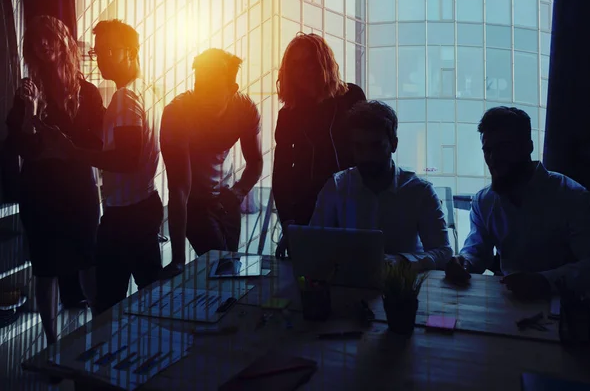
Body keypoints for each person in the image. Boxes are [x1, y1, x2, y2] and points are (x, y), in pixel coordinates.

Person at [43, 20, 163, 314]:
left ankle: (111, 358)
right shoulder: (147, 90)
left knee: (107, 307)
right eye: (98, 52)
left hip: (126, 215)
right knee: (152, 294)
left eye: (110, 50)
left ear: (131, 51)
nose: (102, 58)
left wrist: (72, 151)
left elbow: (126, 159)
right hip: (144, 204)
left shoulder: (125, 98)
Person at [5, 15, 103, 344]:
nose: (43, 43)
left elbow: (94, 145)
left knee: (88, 260)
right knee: (45, 268)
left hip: (78, 189)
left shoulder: (87, 93)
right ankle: (52, 345)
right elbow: (23, 148)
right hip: (40, 193)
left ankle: (101, 335)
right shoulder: (27, 92)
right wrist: (32, 114)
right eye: (36, 40)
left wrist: (62, 148)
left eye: (49, 37)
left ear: (63, 43)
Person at [445, 107, 590, 299]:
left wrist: (545, 281)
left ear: (528, 146)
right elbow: (478, 251)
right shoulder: (484, 201)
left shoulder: (573, 197)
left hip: (564, 307)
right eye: (488, 150)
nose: (493, 158)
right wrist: (464, 262)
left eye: (503, 147)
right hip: (507, 303)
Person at [310, 101, 452, 271]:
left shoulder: (420, 191)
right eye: (359, 147)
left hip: (405, 291)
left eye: (376, 146)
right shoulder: (335, 187)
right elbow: (314, 243)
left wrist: (401, 262)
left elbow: (444, 253)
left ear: (394, 144)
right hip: (351, 287)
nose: (367, 156)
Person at [160, 49, 263, 277]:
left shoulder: (244, 109)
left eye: (213, 89)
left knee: (229, 270)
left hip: (227, 199)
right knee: (225, 270)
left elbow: (255, 161)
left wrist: (238, 192)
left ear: (232, 90)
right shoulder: (177, 114)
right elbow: (178, 190)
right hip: (194, 204)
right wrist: (178, 259)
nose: (203, 96)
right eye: (200, 86)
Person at [273, 33, 366, 258]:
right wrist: (288, 222)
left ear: (323, 62)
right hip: (307, 207)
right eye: (295, 64)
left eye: (309, 62)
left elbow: (368, 147)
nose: (303, 70)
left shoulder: (351, 96)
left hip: (353, 200)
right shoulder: (288, 114)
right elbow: (282, 172)